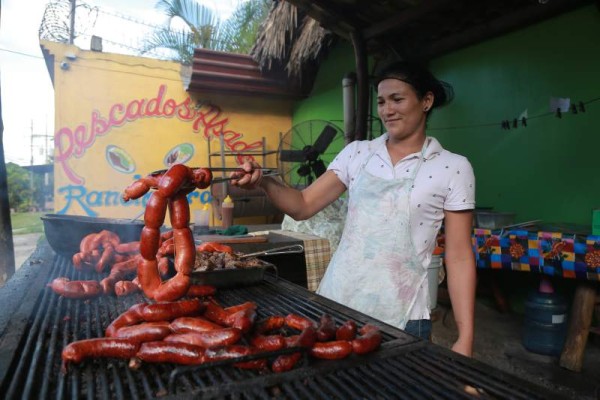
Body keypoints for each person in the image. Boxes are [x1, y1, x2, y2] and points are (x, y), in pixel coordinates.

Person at [230, 61, 476, 357]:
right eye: (382, 101)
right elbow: (303, 205)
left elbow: (459, 256)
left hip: (403, 313)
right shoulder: (358, 153)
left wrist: (465, 337)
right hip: (337, 302)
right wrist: (265, 182)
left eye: (398, 99)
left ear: (426, 101)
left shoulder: (452, 167)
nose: (387, 110)